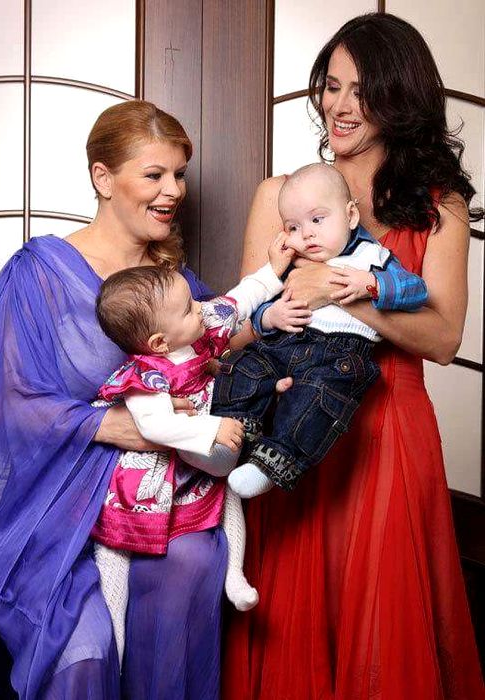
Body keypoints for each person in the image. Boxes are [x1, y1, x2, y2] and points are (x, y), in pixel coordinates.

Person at [223, 13, 485, 700]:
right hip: (294, 425)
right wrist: (279, 308)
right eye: (331, 85)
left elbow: (445, 338)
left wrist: (341, 293)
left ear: (399, 98)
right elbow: (238, 333)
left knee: (385, 628)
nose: (339, 106)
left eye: (361, 91)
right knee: (293, 619)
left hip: (389, 433)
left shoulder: (440, 208)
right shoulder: (280, 196)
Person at [0, 100, 228, 699]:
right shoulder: (39, 272)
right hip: (57, 507)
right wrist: (111, 425)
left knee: (192, 563)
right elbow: (11, 403)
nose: (174, 190)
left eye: (179, 174)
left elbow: (217, 357)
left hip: (153, 497)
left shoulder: (177, 287)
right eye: (154, 174)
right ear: (103, 177)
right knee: (84, 648)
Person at [90, 235, 292, 657]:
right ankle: (115, 639)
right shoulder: (145, 378)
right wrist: (211, 429)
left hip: (196, 460)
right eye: (188, 308)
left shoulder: (196, 331)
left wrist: (273, 270)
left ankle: (234, 575)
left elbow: (237, 302)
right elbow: (157, 425)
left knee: (229, 491)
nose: (200, 307)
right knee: (115, 551)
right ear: (159, 343)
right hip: (148, 472)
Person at [213, 163, 427, 497]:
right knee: (243, 365)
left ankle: (275, 460)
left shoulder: (373, 257)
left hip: (337, 357)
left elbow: (416, 290)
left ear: (351, 216)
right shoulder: (291, 263)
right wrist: (271, 316)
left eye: (317, 220)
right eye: (294, 227)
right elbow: (257, 313)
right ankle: (230, 434)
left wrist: (372, 284)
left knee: (316, 398)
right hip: (283, 346)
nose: (307, 234)